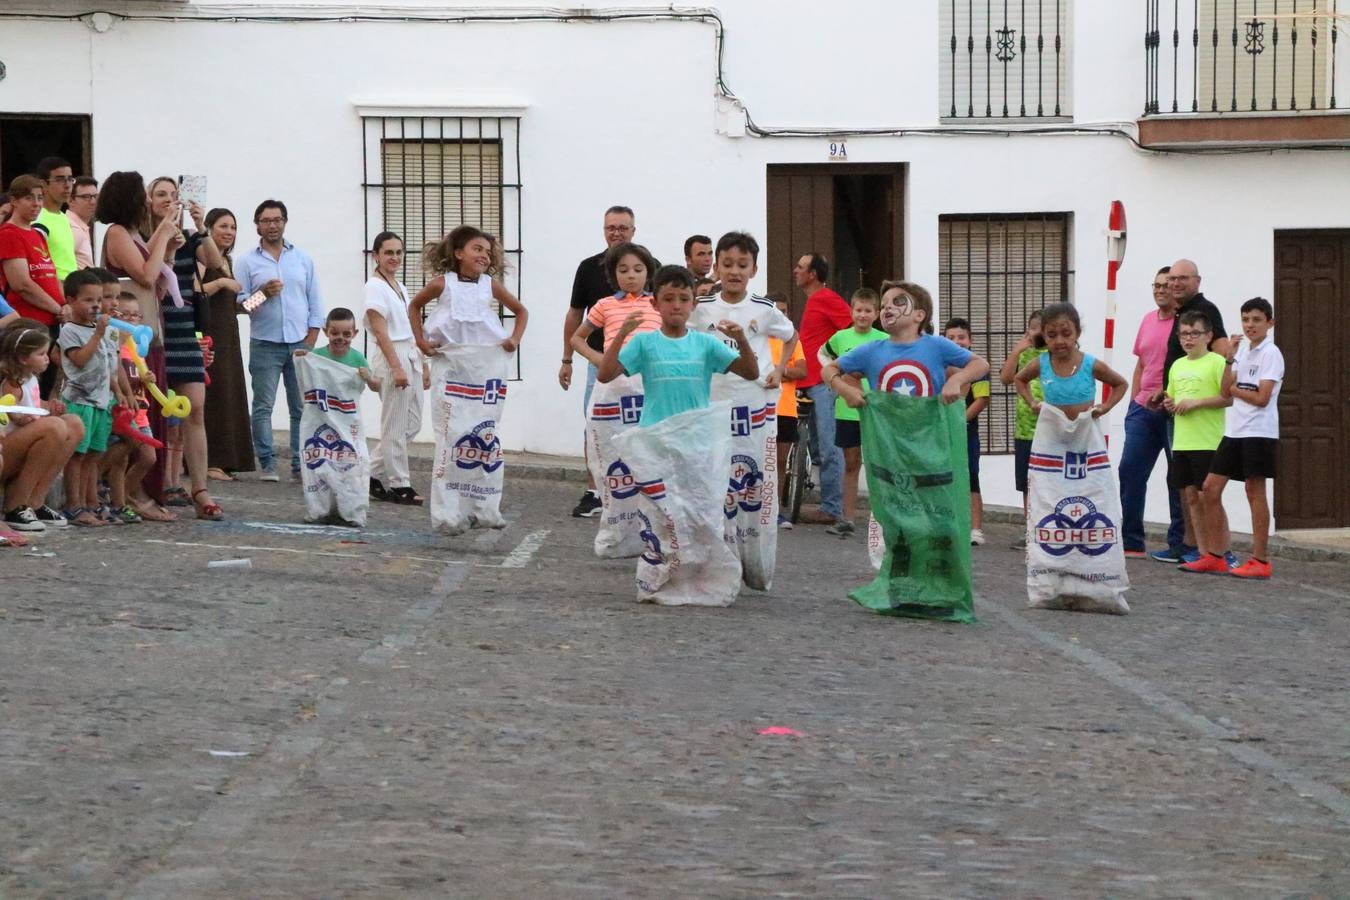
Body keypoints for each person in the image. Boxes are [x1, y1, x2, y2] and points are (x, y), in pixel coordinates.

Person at [97, 170, 188, 507]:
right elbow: (146, 276)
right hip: (130, 337)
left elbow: (159, 276)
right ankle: (133, 492)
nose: (150, 202)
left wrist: (169, 246)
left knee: (154, 416)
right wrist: (164, 231)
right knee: (139, 418)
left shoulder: (133, 233)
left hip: (150, 328)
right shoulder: (117, 233)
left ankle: (148, 489)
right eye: (145, 195)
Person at [1186, 298, 1283, 579]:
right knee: (1210, 488)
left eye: (1256, 320)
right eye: (1246, 320)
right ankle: (1216, 555)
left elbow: (1262, 398)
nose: (1250, 325)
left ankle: (1260, 559)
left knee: (1254, 492)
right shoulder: (1243, 351)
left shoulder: (1271, 353)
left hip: (1259, 431)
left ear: (1269, 323)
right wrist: (1230, 357)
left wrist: (1236, 388)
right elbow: (1224, 388)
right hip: (1235, 430)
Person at [145, 176, 223, 519]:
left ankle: (201, 490)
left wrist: (198, 223)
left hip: (183, 330)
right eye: (161, 194)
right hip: (155, 331)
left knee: (195, 409)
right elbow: (146, 269)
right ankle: (158, 483)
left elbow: (216, 262)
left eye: (173, 194)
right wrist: (163, 231)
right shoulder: (143, 235)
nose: (168, 199)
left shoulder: (189, 238)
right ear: (148, 201)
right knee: (156, 414)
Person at [234, 199, 326, 483]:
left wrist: (310, 342)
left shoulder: (302, 259)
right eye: (265, 220)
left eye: (277, 220)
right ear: (257, 225)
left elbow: (315, 303)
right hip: (264, 343)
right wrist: (262, 293)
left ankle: (300, 464)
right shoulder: (247, 261)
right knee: (263, 405)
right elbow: (239, 306)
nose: (272, 225)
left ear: (285, 222)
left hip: (299, 343)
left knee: (300, 407)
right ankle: (268, 464)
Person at [1148, 258, 1232, 563]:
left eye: (1183, 278)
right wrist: (1166, 394)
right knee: (1186, 490)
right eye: (1172, 279)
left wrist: (1200, 395)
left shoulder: (1204, 311)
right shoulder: (1180, 315)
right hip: (1179, 422)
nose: (1176, 283)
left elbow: (1223, 356)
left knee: (1208, 493)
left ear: (1198, 280)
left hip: (1205, 428)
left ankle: (1221, 551)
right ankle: (1193, 547)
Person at [600, 265, 757, 420]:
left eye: (684, 299)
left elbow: (751, 373)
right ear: (655, 304)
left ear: (694, 304)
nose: (676, 306)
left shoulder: (707, 343)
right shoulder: (643, 342)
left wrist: (741, 340)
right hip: (655, 439)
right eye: (668, 299)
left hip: (696, 440)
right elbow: (604, 375)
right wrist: (621, 334)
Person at [560, 205, 636, 517]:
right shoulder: (589, 268)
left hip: (638, 368)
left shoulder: (651, 265)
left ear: (633, 230)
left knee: (636, 426)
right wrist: (567, 359)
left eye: (623, 227)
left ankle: (636, 487)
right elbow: (575, 316)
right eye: (611, 227)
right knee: (594, 426)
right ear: (604, 230)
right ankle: (594, 491)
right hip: (598, 365)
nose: (617, 232)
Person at [821, 281, 988, 415]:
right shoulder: (870, 350)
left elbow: (981, 364)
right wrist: (845, 390)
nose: (888, 307)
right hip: (887, 443)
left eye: (898, 302)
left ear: (919, 315)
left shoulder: (937, 345)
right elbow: (829, 369)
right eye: (885, 303)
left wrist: (955, 381)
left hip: (929, 441)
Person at [1118, 267, 1185, 559]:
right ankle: (1132, 541)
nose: (1159, 290)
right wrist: (1134, 401)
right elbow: (1142, 363)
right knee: (1129, 470)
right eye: (1155, 285)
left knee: (1178, 478)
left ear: (1175, 288)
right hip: (1143, 410)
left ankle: (1178, 543)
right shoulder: (1147, 320)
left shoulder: (1185, 324)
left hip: (1175, 410)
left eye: (1165, 285)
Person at [1161, 310, 1233, 571]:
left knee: (1210, 498)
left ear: (1209, 336)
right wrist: (1168, 402)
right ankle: (1204, 554)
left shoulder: (1216, 362)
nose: (1189, 339)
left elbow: (1228, 397)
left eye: (1195, 333)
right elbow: (1171, 398)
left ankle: (1224, 551)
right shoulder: (1178, 365)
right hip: (1182, 441)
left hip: (1209, 441)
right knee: (1191, 497)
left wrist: (1197, 402)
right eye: (1184, 334)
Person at [0, 319, 84, 534]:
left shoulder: (30, 379)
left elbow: (33, 406)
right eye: (41, 354)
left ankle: (35, 501)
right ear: (22, 358)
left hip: (19, 442)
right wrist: (24, 417)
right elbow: (12, 411)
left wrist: (49, 406)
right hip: (6, 445)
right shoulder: (12, 381)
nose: (47, 359)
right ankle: (15, 505)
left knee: (74, 424)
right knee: (53, 427)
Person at [362, 231, 424, 506]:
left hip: (410, 353)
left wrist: (423, 361)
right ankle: (400, 484)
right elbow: (380, 331)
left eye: (399, 252)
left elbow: (410, 327)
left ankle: (367, 472)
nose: (395, 257)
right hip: (392, 356)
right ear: (376, 255)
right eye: (388, 252)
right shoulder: (374, 286)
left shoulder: (399, 285)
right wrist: (396, 366)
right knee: (395, 425)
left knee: (411, 424)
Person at [818, 288, 885, 537]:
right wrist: (835, 377)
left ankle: (881, 520)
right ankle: (846, 518)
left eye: (868, 311)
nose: (863, 315)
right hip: (847, 409)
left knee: (878, 464)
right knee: (851, 463)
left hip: (876, 409)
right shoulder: (840, 337)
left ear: (876, 314)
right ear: (851, 311)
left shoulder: (883, 340)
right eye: (859, 310)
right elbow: (822, 354)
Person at [57, 270, 120, 527]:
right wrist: (97, 335)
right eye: (88, 300)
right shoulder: (69, 331)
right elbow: (80, 360)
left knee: (94, 454)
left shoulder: (102, 330)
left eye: (98, 300)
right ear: (71, 301)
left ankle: (89, 501)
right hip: (79, 401)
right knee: (77, 456)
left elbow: (110, 366)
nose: (95, 306)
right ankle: (74, 505)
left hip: (101, 402)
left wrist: (121, 392)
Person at [793, 252, 852, 524]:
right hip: (809, 382)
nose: (796, 270)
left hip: (824, 384)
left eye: (801, 267)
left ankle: (832, 508)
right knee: (817, 448)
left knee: (830, 446)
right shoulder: (814, 301)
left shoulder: (826, 298)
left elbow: (851, 327)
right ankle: (828, 503)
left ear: (813, 274)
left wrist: (839, 365)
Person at [410, 225, 528, 358]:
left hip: (485, 362)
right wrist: (420, 341)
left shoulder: (490, 285)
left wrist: (515, 340)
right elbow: (414, 306)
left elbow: (521, 311)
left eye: (488, 253)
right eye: (478, 249)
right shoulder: (442, 283)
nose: (484, 255)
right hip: (448, 361)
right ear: (459, 253)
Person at [109, 293, 175, 522]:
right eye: (125, 315)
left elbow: (138, 375)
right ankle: (121, 499)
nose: (131, 320)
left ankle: (124, 496)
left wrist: (147, 378)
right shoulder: (115, 345)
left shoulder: (138, 347)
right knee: (127, 456)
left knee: (150, 458)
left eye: (135, 315)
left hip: (142, 412)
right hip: (125, 410)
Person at [199, 207, 254, 481]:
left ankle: (229, 460)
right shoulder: (204, 257)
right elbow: (196, 291)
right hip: (209, 333)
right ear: (209, 229)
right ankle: (211, 461)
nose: (229, 232)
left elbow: (237, 306)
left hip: (228, 334)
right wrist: (221, 281)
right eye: (223, 226)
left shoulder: (227, 259)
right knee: (215, 395)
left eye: (232, 227)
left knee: (230, 394)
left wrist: (263, 296)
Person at [0, 175, 65, 398]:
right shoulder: (9, 234)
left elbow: (50, 274)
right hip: (29, 324)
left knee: (45, 389)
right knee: (27, 393)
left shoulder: (37, 233)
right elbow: (22, 284)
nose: (37, 204)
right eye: (30, 198)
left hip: (50, 320)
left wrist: (64, 306)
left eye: (40, 198)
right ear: (14, 201)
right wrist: (58, 308)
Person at [1015, 303, 1128, 422]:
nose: (1059, 341)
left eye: (1066, 334)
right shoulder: (1041, 363)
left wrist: (1106, 406)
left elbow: (1121, 384)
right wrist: (1031, 402)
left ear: (1077, 333)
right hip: (1052, 434)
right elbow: (1019, 379)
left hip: (1085, 434)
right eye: (1052, 335)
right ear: (1044, 336)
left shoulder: (1090, 364)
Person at [569, 241, 661, 364]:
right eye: (623, 271)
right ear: (614, 274)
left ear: (648, 273)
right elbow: (576, 338)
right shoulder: (605, 305)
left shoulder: (659, 304)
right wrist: (597, 358)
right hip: (614, 377)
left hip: (651, 375)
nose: (631, 276)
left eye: (638, 270)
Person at [999, 310, 1046, 548]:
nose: (1036, 332)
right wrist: (1017, 350)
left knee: (1047, 482)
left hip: (1050, 430)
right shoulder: (1024, 352)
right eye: (1032, 327)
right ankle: (1031, 530)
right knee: (1026, 483)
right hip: (1025, 430)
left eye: (1040, 327)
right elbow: (1006, 378)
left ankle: (1048, 529)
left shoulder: (1054, 354)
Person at [943, 317, 991, 546]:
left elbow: (981, 400)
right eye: (950, 338)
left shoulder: (979, 368)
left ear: (970, 340)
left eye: (961, 337)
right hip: (941, 434)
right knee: (943, 479)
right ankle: (948, 526)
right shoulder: (940, 367)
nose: (957, 342)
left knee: (971, 479)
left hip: (967, 434)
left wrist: (960, 420)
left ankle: (975, 529)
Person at [768, 293, 806, 529]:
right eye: (776, 311)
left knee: (780, 461)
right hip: (762, 408)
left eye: (784, 311)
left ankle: (776, 510)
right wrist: (785, 369)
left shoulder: (792, 341)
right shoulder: (757, 338)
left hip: (786, 408)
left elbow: (802, 370)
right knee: (762, 460)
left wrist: (776, 370)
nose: (780, 315)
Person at [294, 308, 380, 390]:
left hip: (348, 404)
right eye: (335, 333)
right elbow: (302, 379)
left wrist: (369, 378)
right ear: (326, 331)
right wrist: (303, 357)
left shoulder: (358, 358)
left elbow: (375, 387)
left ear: (354, 334)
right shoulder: (316, 355)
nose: (340, 338)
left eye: (346, 334)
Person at [33, 157, 78, 282]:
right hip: (53, 289)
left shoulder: (64, 217)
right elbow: (37, 267)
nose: (67, 185)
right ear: (43, 184)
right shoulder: (37, 219)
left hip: (72, 289)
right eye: (60, 180)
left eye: (70, 179)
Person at [67, 176, 99, 270]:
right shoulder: (72, 228)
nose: (93, 202)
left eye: (95, 196)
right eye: (86, 197)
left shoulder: (79, 226)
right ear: (70, 200)